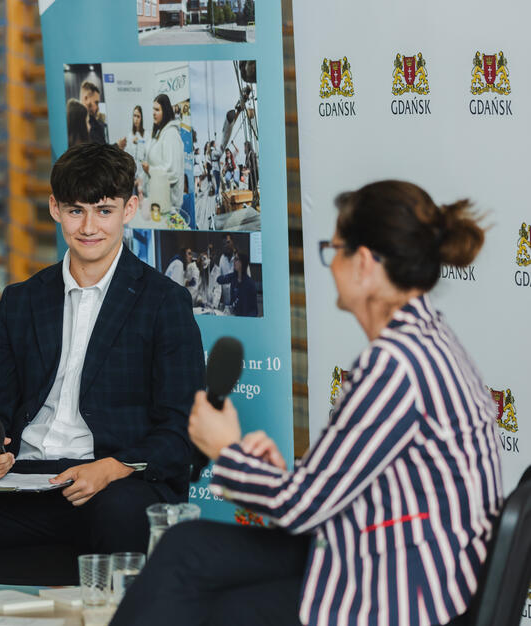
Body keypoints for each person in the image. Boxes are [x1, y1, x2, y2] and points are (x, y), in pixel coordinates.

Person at [112, 180, 502, 626]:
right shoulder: (427, 340)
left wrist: (227, 451)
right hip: (409, 563)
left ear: (365, 264)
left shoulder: (395, 365)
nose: (329, 264)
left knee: (210, 596)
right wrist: (270, 472)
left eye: (334, 250)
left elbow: (303, 508)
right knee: (187, 549)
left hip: (401, 593)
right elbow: (340, 487)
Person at [0, 142, 205, 603]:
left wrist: (113, 468)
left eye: (104, 210)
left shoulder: (164, 303)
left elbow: (182, 430)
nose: (89, 226)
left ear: (130, 208)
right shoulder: (21, 301)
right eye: (76, 211)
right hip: (25, 482)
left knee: (124, 515)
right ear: (54, 208)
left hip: (113, 484)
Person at [142, 93, 184, 215]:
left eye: (157, 110)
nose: (154, 113)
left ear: (165, 111)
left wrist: (150, 170)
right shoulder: (160, 132)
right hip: (158, 202)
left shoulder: (171, 134)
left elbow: (172, 171)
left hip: (168, 206)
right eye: (153, 109)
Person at [215, 251, 258, 317]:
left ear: (242, 263)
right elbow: (219, 280)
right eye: (234, 259)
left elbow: (254, 310)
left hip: (245, 318)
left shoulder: (250, 284)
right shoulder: (233, 277)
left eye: (236, 259)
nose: (234, 261)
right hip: (233, 315)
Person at [123, 105, 147, 196]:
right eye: (134, 116)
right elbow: (127, 158)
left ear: (141, 118)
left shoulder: (146, 135)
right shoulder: (129, 136)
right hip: (131, 178)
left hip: (143, 178)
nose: (136, 119)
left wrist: (140, 177)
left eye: (138, 116)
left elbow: (146, 158)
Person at [80, 80, 108, 145]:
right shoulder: (72, 122)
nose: (98, 108)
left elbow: (102, 149)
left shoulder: (96, 125)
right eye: (96, 102)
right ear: (86, 98)